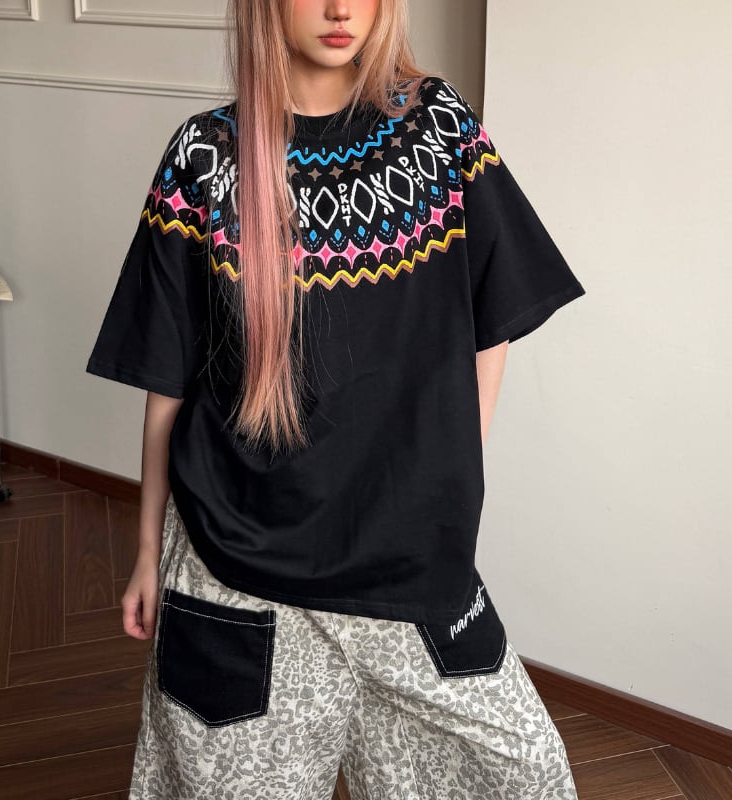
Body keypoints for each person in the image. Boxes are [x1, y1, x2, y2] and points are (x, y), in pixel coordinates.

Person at [86, 1, 585, 797]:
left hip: (407, 563)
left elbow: (493, 317)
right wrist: (147, 551)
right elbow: (167, 382)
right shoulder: (204, 156)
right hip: (237, 571)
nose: (341, 8)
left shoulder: (439, 129)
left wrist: (447, 476)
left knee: (524, 770)